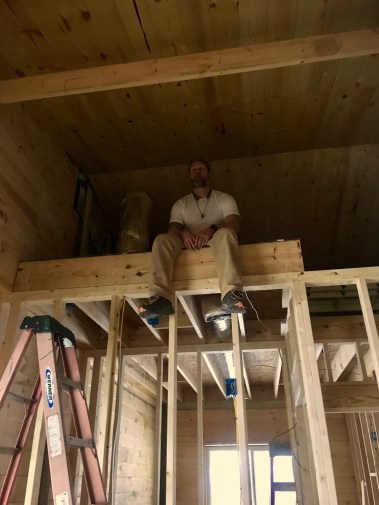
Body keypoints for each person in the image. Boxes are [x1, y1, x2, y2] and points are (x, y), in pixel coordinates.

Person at [139, 158, 246, 319]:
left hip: (215, 238)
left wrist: (211, 229)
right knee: (162, 239)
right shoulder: (181, 204)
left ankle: (231, 294)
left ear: (208, 173)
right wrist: (183, 233)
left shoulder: (224, 198)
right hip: (186, 241)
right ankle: (160, 299)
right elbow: (172, 229)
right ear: (189, 175)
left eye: (201, 169)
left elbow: (234, 224)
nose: (197, 172)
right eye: (193, 170)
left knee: (227, 233)